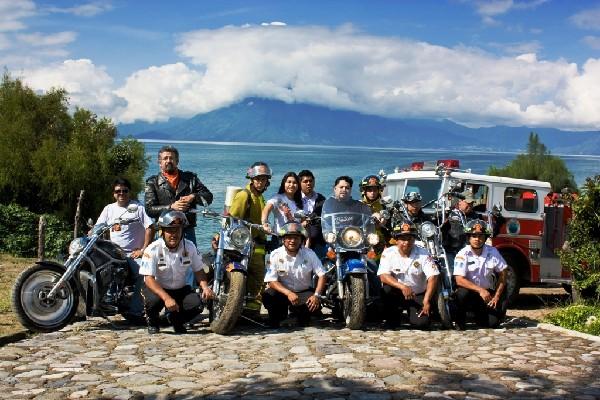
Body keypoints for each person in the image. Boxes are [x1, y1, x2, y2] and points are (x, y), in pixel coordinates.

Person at [140, 210, 214, 334]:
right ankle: (153, 321)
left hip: (180, 289)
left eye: (177, 230)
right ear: (162, 232)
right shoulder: (152, 249)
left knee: (197, 304)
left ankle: (174, 319)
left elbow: (198, 270)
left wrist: (205, 287)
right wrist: (167, 298)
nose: (173, 234)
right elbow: (149, 279)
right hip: (157, 288)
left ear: (182, 231)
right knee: (153, 302)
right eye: (169, 230)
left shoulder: (190, 247)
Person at [96, 178, 154, 322]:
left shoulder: (137, 207)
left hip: (133, 254)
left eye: (124, 191)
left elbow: (150, 227)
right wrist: (90, 233)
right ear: (113, 193)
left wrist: (143, 249)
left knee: (144, 274)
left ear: (129, 192)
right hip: (113, 254)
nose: (121, 193)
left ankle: (136, 311)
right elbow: (98, 226)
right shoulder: (109, 209)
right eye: (118, 191)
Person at [144, 145, 213, 245]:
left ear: (177, 161)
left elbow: (209, 197)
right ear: (160, 163)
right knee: (163, 260)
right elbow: (149, 209)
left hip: (187, 231)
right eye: (165, 158)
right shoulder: (152, 182)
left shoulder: (191, 179)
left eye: (171, 158)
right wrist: (171, 207)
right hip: (164, 231)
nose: (168, 161)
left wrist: (193, 197)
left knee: (189, 259)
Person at [263, 222, 327, 327]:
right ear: (283, 239)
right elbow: (271, 281)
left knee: (306, 316)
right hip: (283, 293)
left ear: (302, 240)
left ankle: (299, 314)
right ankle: (279, 315)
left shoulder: (309, 254)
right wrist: (288, 293)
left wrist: (316, 296)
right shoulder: (274, 254)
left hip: (303, 292)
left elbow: (322, 275)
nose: (292, 241)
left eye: (296, 238)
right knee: (268, 295)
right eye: (289, 237)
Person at [228, 161, 271, 316]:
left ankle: (252, 312)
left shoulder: (260, 197)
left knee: (258, 280)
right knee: (249, 278)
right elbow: (232, 219)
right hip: (244, 245)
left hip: (258, 245)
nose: (260, 182)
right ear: (251, 179)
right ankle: (238, 310)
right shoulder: (243, 196)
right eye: (258, 179)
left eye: (263, 179)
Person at [377, 220, 439, 329]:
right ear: (396, 240)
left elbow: (433, 276)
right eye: (402, 239)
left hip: (417, 294)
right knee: (386, 289)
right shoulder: (388, 253)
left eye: (410, 239)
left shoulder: (423, 253)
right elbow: (383, 276)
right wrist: (402, 286)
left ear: (414, 239)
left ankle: (413, 314)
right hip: (397, 292)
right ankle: (393, 318)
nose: (406, 242)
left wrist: (427, 299)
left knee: (421, 323)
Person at [453, 219, 508, 330]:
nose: (477, 239)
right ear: (469, 238)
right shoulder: (462, 254)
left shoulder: (493, 252)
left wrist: (496, 296)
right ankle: (460, 320)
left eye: (481, 236)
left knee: (492, 324)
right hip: (470, 294)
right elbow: (459, 280)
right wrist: (480, 290)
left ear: (485, 238)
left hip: (487, 295)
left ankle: (479, 316)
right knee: (461, 294)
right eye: (474, 236)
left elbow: (503, 274)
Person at [298, 170, 326, 256]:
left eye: (311, 181)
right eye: (305, 181)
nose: (308, 183)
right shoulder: (295, 198)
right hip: (299, 240)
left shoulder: (321, 198)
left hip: (318, 241)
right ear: (299, 183)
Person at [359, 174, 389, 256]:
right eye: (369, 190)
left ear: (379, 191)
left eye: (375, 190)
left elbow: (384, 224)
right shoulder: (357, 205)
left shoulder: (383, 206)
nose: (372, 193)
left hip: (377, 240)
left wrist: (381, 220)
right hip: (360, 238)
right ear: (364, 191)